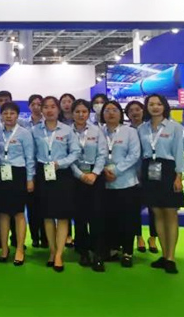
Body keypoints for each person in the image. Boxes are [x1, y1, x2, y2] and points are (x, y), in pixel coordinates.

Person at [139, 93, 184, 274]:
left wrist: (178, 176)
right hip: (149, 169)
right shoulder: (142, 129)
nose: (155, 107)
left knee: (170, 213)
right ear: (147, 107)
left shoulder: (175, 127)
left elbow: (179, 152)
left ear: (165, 106)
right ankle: (164, 255)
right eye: (151, 104)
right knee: (157, 213)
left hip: (168, 170)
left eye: (159, 104)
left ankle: (171, 257)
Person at [33, 96, 81, 272]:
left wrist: (60, 163)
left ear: (58, 109)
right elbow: (31, 154)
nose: (49, 110)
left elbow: (75, 152)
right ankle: (52, 251)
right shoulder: (35, 131)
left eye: (53, 106)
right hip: (43, 173)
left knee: (62, 216)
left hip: (62, 175)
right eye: (45, 107)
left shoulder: (67, 130)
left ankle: (60, 253)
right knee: (47, 215)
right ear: (42, 110)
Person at [100, 101, 142, 269]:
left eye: (114, 110)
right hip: (104, 182)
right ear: (102, 114)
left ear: (120, 113)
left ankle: (127, 252)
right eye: (107, 110)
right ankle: (113, 248)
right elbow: (95, 153)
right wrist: (103, 170)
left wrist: (116, 170)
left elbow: (134, 155)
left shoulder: (130, 132)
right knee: (109, 218)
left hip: (126, 181)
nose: (111, 113)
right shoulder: (98, 132)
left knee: (127, 218)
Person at [0, 102, 35, 266]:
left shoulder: (24, 133)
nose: (9, 116)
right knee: (3, 213)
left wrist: (30, 179)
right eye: (5, 113)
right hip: (0, 174)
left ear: (17, 116)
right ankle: (4, 249)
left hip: (19, 174)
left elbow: (30, 158)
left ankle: (19, 249)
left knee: (18, 213)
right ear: (1, 116)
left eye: (12, 113)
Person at [69, 99, 106, 270]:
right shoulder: (67, 131)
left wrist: (94, 173)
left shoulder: (97, 131)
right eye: (77, 112)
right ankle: (83, 251)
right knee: (80, 216)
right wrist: (80, 175)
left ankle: (98, 252)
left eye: (84, 111)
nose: (81, 115)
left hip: (94, 177)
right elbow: (66, 156)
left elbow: (102, 154)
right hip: (75, 178)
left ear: (89, 113)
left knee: (97, 215)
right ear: (72, 113)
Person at [126, 100, 158, 254]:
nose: (134, 113)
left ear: (143, 111)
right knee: (134, 207)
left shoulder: (150, 128)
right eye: (131, 110)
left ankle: (153, 237)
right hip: (132, 172)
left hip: (152, 170)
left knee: (154, 206)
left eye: (137, 109)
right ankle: (138, 236)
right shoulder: (125, 131)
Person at [27, 94, 47, 248]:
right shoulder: (22, 124)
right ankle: (34, 236)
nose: (36, 107)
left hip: (45, 169)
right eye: (33, 104)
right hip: (28, 169)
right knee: (31, 206)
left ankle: (46, 237)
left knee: (45, 204)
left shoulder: (48, 125)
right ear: (29, 106)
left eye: (39, 104)